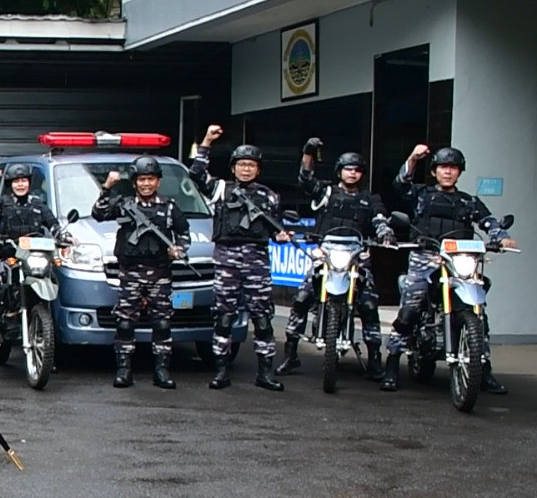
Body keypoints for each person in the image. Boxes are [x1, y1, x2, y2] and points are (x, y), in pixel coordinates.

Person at [381, 144, 517, 393]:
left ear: (459, 172)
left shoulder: (469, 201)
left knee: (478, 312)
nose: (448, 172)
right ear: (434, 171)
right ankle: (392, 363)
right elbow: (400, 185)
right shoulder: (421, 194)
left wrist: (501, 236)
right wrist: (413, 158)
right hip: (426, 258)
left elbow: (488, 221)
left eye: (453, 167)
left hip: (459, 260)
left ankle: (482, 370)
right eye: (443, 167)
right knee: (410, 309)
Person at [188, 125, 293, 391]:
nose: (246, 169)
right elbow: (196, 174)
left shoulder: (269, 196)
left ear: (258, 169)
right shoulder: (221, 189)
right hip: (227, 260)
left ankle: (265, 373)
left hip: (257, 261)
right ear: (233, 167)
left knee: (262, 318)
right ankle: (221, 371)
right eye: (242, 165)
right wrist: (207, 142)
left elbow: (276, 227)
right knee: (224, 317)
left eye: (251, 165)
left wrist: (282, 235)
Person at [277, 140, 393, 379]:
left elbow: (380, 219)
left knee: (369, 304)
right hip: (326, 254)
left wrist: (385, 233)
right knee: (302, 298)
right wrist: (308, 153)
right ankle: (291, 354)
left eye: (357, 170)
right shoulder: (326, 192)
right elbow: (305, 180)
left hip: (357, 256)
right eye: (348, 169)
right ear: (339, 171)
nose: (352, 173)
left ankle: (374, 359)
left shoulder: (370, 199)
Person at [91, 156, 191, 389]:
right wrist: (107, 187)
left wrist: (179, 249)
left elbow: (184, 233)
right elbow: (98, 213)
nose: (147, 184)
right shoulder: (124, 204)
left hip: (160, 273)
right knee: (125, 322)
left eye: (151, 179)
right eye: (142, 179)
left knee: (162, 323)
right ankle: (124, 370)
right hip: (131, 273)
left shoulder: (169, 207)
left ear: (158, 181)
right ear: (135, 182)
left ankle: (162, 370)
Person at [0, 161, 67, 376]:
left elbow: (53, 224)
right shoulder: (3, 202)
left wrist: (63, 236)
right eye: (16, 181)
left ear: (29, 183)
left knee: (50, 286)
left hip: (33, 256)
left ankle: (47, 350)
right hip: (9, 254)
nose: (20, 185)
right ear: (11, 184)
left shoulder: (38, 204)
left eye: (23, 180)